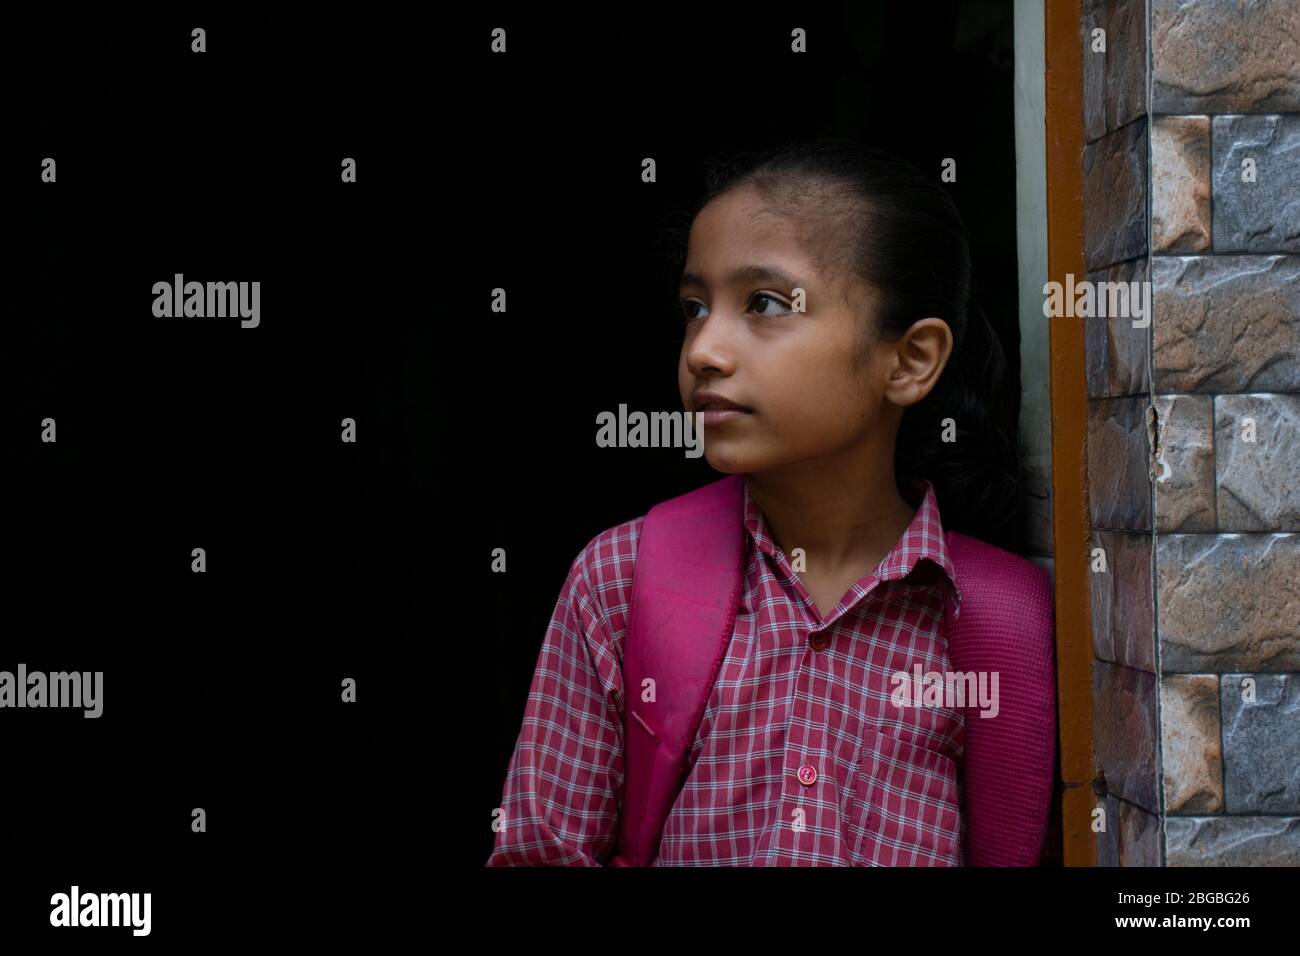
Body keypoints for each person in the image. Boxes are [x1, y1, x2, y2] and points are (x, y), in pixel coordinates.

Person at [487, 138, 1055, 867]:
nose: (703, 350)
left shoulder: (999, 622)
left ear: (909, 360)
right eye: (694, 308)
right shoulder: (622, 580)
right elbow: (541, 854)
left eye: (764, 303)